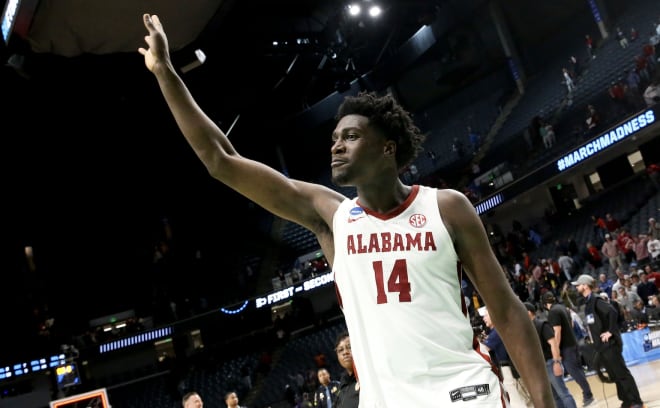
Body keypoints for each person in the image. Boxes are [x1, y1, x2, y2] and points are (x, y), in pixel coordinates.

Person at [139, 14, 553, 407]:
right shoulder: (332, 216)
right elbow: (220, 159)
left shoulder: (445, 208)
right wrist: (165, 73)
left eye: (351, 136)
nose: (336, 145)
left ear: (387, 148)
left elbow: (507, 310)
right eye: (335, 137)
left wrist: (543, 398)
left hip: (463, 391)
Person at [572, 275, 645, 408]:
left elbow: (612, 312)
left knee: (622, 374)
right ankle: (627, 401)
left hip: (610, 345)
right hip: (601, 347)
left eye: (578, 285)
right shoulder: (588, 303)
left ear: (586, 285)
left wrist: (610, 331)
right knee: (614, 375)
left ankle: (636, 402)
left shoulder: (596, 299)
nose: (576, 287)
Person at [540, 292, 595, 407]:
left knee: (574, 372)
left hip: (566, 347)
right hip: (573, 343)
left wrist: (556, 348)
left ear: (545, 304)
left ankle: (588, 394)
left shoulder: (553, 312)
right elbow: (571, 324)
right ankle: (588, 393)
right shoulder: (563, 308)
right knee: (578, 370)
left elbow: (557, 331)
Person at [523, 302, 578, 408]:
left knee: (563, 394)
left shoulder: (542, 325)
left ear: (529, 313)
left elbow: (553, 344)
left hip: (550, 363)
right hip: (541, 367)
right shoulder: (528, 329)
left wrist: (556, 362)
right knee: (555, 397)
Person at [479, 307, 531, 407]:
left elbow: (484, 349)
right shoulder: (496, 331)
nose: (484, 318)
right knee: (520, 397)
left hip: (509, 368)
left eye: (486, 316)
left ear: (493, 317)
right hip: (509, 367)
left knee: (518, 398)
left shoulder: (497, 331)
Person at [333, 332, 359, 408]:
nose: (345, 352)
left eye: (349, 347)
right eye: (340, 350)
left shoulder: (368, 377)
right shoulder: (342, 384)